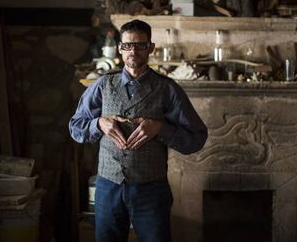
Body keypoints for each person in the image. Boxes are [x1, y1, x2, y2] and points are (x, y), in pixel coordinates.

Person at [69, 19, 208, 242]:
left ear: (150, 48)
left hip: (151, 189)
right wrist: (98, 124)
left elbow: (197, 138)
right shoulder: (103, 85)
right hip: (108, 186)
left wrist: (161, 128)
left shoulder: (167, 89)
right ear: (119, 48)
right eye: (127, 45)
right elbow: (76, 127)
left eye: (140, 45)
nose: (132, 51)